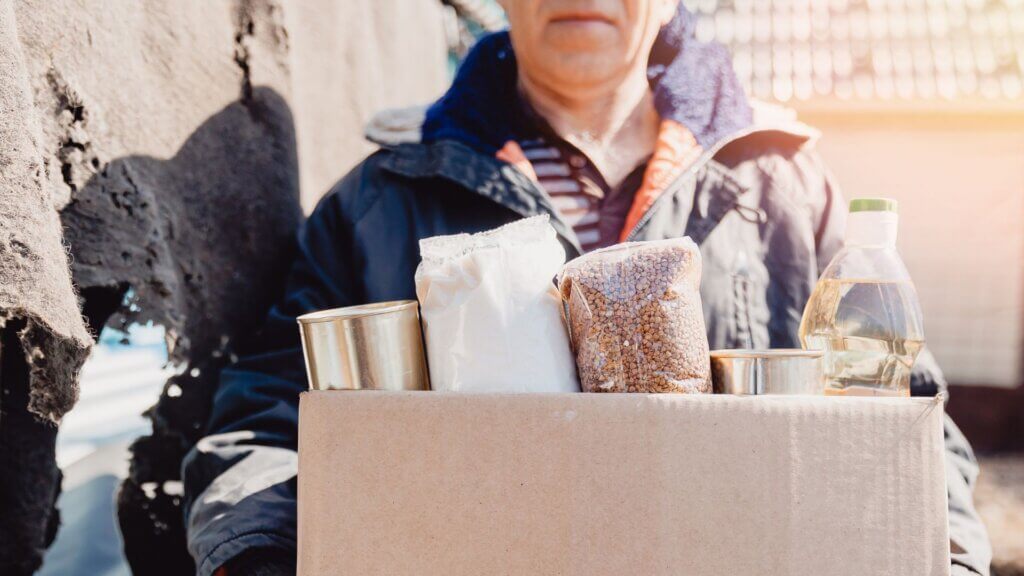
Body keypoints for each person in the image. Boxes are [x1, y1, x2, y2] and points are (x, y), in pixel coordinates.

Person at [182, 1, 992, 574]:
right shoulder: (381, 199)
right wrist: (256, 557)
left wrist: (941, 553)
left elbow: (904, 425)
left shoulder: (784, 192)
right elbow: (267, 421)